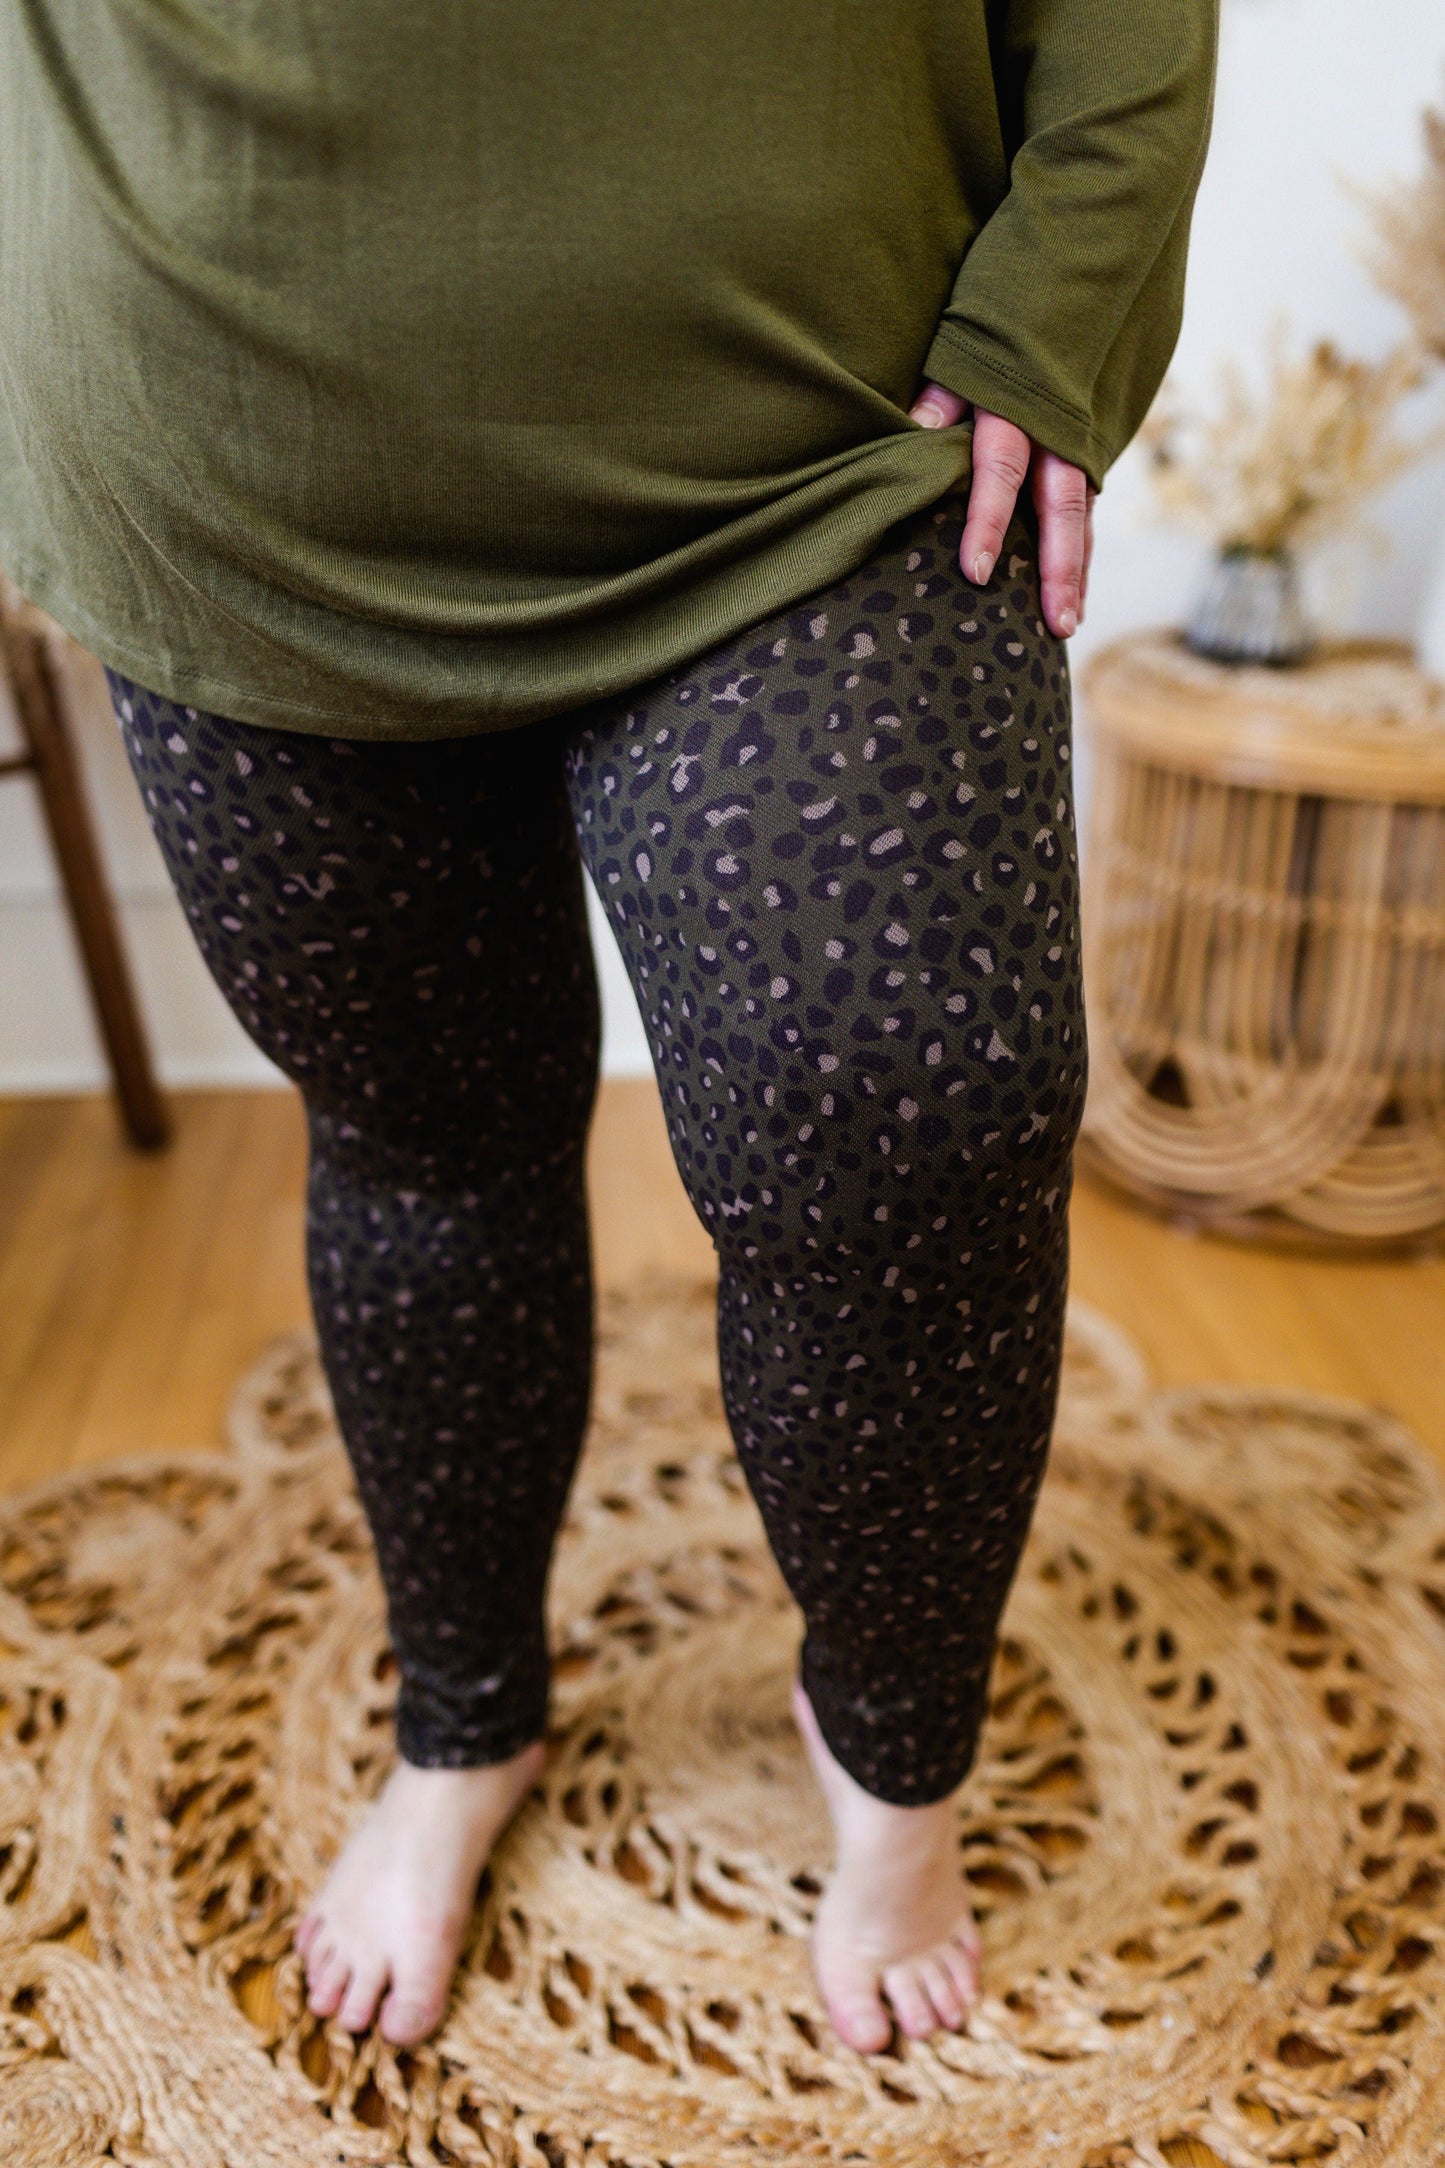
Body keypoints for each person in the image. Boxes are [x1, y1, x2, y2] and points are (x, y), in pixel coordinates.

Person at [0, 0, 1216, 2056]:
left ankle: (896, 1767)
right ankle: (461, 1718)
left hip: (836, 428)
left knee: (916, 1124)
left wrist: (1065, 291)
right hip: (241, 442)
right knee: (425, 1132)